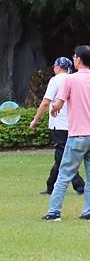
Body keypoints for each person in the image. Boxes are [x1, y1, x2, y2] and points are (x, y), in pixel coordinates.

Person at [42, 45, 90, 221]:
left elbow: (59, 103)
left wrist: (54, 109)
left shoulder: (70, 80)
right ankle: (88, 211)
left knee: (64, 174)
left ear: (78, 59)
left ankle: (54, 212)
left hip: (77, 134)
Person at [29, 57, 85, 195]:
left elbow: (45, 102)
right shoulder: (73, 79)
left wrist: (35, 120)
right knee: (61, 156)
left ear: (59, 67)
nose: (53, 68)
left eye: (54, 65)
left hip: (59, 124)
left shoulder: (55, 80)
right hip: (73, 124)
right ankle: (51, 185)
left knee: (62, 157)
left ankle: (80, 186)